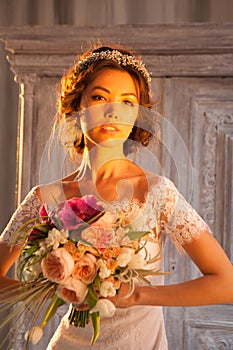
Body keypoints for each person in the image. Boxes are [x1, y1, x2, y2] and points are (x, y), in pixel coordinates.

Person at [0, 44, 233, 350]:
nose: (113, 111)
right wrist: (48, 289)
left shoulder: (157, 193)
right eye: (100, 97)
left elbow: (225, 283)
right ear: (76, 106)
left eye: (127, 101)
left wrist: (139, 295)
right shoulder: (45, 197)